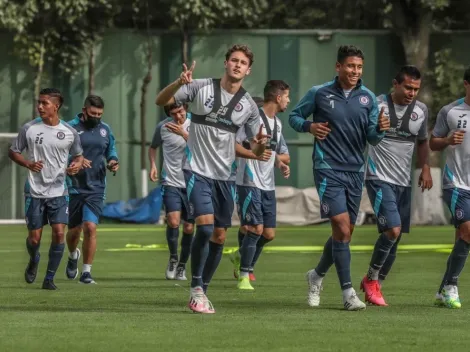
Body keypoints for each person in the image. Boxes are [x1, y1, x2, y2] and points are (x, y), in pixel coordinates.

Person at [155, 44, 268, 314]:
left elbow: (255, 149)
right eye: (234, 60)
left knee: (218, 234)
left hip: (225, 178)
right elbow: (162, 101)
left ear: (248, 70)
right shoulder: (200, 87)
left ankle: (202, 290)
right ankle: (195, 288)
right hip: (195, 170)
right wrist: (178, 83)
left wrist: (262, 145)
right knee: (204, 227)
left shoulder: (249, 107)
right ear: (226, 63)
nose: (238, 65)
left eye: (243, 62)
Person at [288, 45, 390, 311]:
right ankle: (348, 293)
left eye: (358, 67)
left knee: (343, 234)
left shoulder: (368, 98)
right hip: (327, 168)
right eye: (350, 66)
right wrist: (310, 126)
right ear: (338, 67)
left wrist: (380, 129)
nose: (355, 71)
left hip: (356, 172)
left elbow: (373, 138)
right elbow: (294, 116)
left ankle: (317, 275)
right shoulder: (319, 93)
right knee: (342, 229)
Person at [360, 66, 433, 306]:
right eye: (408, 87)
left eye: (416, 89)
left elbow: (422, 142)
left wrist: (424, 167)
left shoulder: (421, 111)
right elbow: (364, 134)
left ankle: (376, 283)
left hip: (404, 181)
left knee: (396, 237)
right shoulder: (377, 104)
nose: (412, 93)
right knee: (392, 230)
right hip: (378, 177)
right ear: (395, 84)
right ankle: (371, 280)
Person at [8, 88, 83, 290]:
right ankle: (34, 259)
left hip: (59, 191)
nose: (40, 106)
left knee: (59, 233)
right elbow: (13, 151)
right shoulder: (29, 129)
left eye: (44, 103)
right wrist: (28, 164)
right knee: (35, 238)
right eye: (38, 102)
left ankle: (49, 279)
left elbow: (78, 156)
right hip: (34, 191)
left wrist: (76, 164)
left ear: (56, 106)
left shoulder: (70, 132)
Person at [231, 83, 291, 290]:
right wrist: (253, 151)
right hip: (249, 181)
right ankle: (244, 275)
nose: (288, 101)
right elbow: (234, 144)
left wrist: (280, 163)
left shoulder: (278, 124)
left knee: (268, 234)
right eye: (287, 97)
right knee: (255, 228)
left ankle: (240, 255)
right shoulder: (251, 118)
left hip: (268, 184)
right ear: (277, 97)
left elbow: (273, 152)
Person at [64, 95, 119, 284]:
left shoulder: (105, 129)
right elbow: (59, 153)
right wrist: (75, 160)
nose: (97, 117)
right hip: (74, 187)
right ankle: (73, 256)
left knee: (90, 226)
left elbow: (111, 150)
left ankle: (86, 273)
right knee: (73, 231)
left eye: (100, 114)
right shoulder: (69, 128)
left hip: (96, 187)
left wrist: (113, 161)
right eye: (93, 113)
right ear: (84, 110)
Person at [431, 66, 470, 309]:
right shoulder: (451, 111)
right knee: (468, 232)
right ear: (466, 84)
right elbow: (434, 142)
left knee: (462, 238)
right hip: (456, 184)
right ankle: (452, 286)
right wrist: (447, 140)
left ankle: (442, 290)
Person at [148, 102, 194, 280]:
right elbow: (153, 147)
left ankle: (182, 265)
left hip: (192, 182)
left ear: (186, 110)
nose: (178, 116)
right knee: (173, 221)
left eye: (181, 112)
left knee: (189, 227)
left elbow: (203, 147)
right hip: (171, 181)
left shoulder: (196, 124)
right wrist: (153, 166)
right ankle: (173, 258)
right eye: (174, 113)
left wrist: (183, 133)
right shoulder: (163, 127)